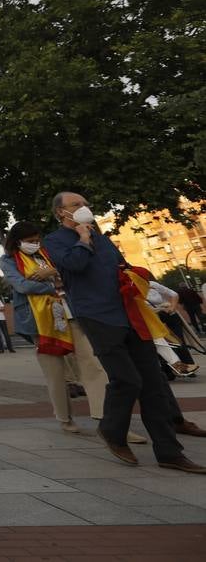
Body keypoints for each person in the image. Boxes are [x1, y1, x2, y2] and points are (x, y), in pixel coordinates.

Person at [45, 192, 205, 473]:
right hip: (97, 316)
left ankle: (169, 452)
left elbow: (121, 268)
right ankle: (111, 430)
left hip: (129, 313)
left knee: (153, 384)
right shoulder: (55, 241)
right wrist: (83, 239)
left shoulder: (103, 237)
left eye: (85, 204)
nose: (84, 208)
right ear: (60, 213)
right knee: (127, 380)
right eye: (75, 206)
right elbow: (73, 266)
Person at [0, 221, 108, 435]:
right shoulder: (8, 261)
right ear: (17, 242)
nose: (35, 244)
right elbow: (23, 285)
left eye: (37, 240)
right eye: (30, 242)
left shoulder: (48, 253)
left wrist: (52, 272)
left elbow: (70, 273)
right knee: (55, 373)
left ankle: (107, 418)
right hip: (39, 321)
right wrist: (53, 284)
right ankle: (65, 419)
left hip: (70, 314)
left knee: (92, 364)